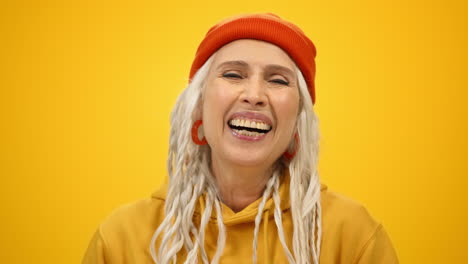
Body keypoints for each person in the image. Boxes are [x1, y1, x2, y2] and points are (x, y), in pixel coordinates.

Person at [82, 13, 399, 264]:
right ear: (198, 107)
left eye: (278, 80)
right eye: (233, 74)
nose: (254, 95)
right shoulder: (122, 238)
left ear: (298, 118)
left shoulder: (352, 235)